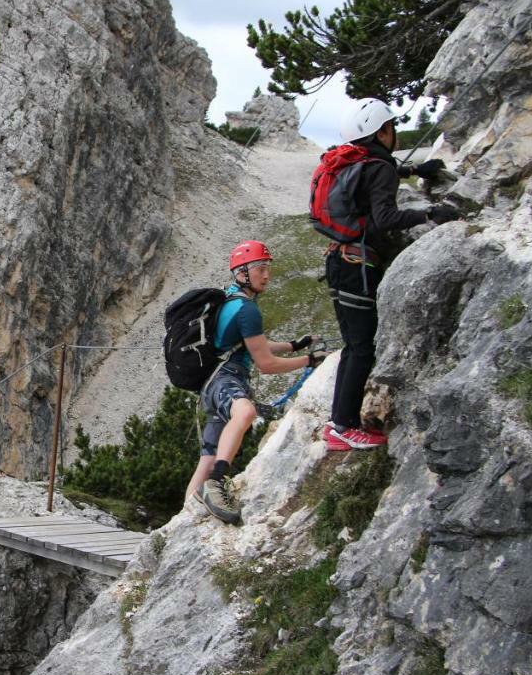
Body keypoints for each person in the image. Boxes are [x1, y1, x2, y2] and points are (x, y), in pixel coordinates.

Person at [321, 98, 461, 451]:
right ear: (382, 131)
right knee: (361, 348)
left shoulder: (358, 162)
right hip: (357, 267)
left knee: (354, 347)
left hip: (340, 262)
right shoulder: (377, 166)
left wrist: (414, 171)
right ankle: (342, 426)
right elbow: (384, 217)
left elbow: (378, 178)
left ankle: (340, 423)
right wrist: (429, 215)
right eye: (391, 127)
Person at [188, 241, 326, 523]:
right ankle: (217, 482)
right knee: (245, 412)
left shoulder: (231, 299)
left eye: (268, 269)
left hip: (212, 383)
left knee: (208, 455)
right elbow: (266, 364)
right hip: (226, 379)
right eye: (260, 269)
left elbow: (255, 345)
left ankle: (179, 519)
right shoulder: (247, 309)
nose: (267, 275)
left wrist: (293, 345)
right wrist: (309, 361)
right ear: (242, 273)